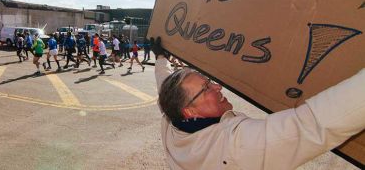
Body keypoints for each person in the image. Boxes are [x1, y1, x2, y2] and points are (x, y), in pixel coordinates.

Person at [151, 37, 365, 170]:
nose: (217, 87)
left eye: (209, 82)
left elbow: (163, 84)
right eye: (206, 88)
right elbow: (311, 125)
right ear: (189, 111)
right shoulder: (235, 144)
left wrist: (161, 58)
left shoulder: (172, 121)